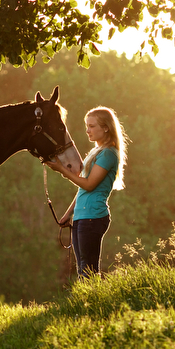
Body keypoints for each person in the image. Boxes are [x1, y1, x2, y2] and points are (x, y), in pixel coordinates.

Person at [45, 106, 127, 279]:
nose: (87, 130)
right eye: (87, 126)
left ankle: (94, 303)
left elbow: (89, 185)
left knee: (88, 268)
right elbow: (83, 189)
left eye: (92, 126)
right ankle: (88, 302)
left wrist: (62, 169)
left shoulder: (108, 154)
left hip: (93, 217)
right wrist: (69, 213)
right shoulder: (95, 152)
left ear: (105, 128)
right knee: (82, 267)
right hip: (82, 217)